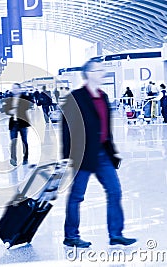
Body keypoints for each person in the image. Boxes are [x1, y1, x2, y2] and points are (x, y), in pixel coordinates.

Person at [61, 57, 137, 248]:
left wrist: (112, 150)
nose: (102, 73)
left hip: (103, 153)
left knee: (115, 191)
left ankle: (116, 234)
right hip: (82, 155)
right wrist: (67, 157)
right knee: (77, 196)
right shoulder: (75, 97)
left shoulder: (103, 96)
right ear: (88, 74)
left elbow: (105, 127)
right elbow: (66, 128)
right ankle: (71, 236)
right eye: (98, 70)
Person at [3, 83, 32, 166]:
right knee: (13, 142)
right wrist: (9, 111)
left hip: (22, 122)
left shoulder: (24, 98)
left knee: (24, 141)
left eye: (16, 88)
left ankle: (25, 157)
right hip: (13, 123)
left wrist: (16, 108)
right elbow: (5, 109)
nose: (14, 90)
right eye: (13, 88)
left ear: (19, 89)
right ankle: (13, 159)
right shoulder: (10, 99)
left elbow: (27, 106)